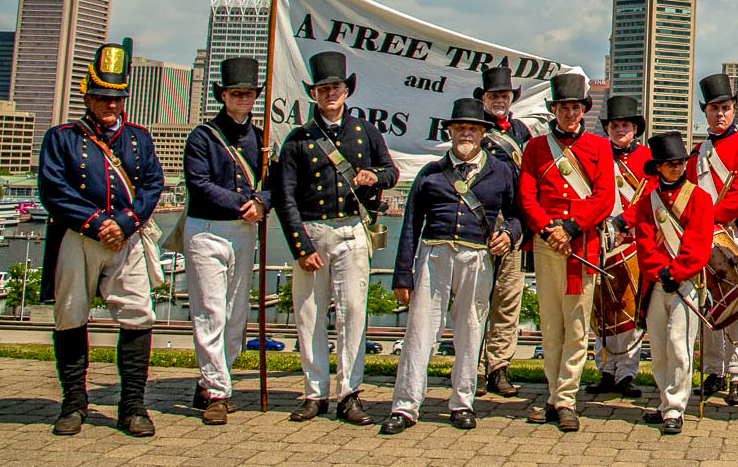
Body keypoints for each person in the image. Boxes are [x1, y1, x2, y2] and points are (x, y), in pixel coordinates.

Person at [39, 41, 165, 437]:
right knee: (71, 316)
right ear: (88, 99)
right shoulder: (62, 137)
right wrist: (96, 223)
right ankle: (73, 403)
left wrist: (126, 223)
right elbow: (54, 189)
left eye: (117, 99)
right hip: (79, 237)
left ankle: (132, 406)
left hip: (125, 239)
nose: (111, 106)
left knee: (138, 315)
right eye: (102, 99)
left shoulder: (139, 138)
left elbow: (152, 184)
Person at [379, 99, 522, 435]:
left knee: (471, 331)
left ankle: (462, 402)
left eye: (472, 129)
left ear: (483, 134)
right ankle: (405, 405)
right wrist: (404, 275)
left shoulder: (501, 171)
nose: (466, 134)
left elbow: (517, 216)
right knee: (419, 332)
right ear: (450, 132)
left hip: (477, 258)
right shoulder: (430, 173)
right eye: (460, 129)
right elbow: (411, 225)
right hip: (434, 255)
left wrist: (508, 234)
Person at [273, 51, 398, 425]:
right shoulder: (296, 140)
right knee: (309, 316)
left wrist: (374, 177)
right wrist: (301, 247)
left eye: (336, 88)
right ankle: (315, 392)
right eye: (324, 88)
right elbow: (286, 198)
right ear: (314, 92)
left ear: (347, 90)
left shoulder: (365, 131)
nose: (331, 94)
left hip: (351, 230)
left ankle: (349, 392)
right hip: (313, 231)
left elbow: (390, 171)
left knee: (353, 314)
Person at [516, 73, 616, 432]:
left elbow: (604, 197)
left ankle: (567, 398)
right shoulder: (536, 149)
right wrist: (548, 229)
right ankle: (552, 393)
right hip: (547, 243)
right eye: (563, 107)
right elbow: (527, 196)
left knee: (576, 324)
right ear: (553, 110)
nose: (570, 113)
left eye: (576, 107)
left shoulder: (600, 147)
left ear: (584, 110)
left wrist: (571, 227)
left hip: (581, 243)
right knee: (550, 323)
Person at [182, 57, 269, 426]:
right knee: (210, 311)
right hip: (206, 229)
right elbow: (198, 183)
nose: (243, 100)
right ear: (223, 95)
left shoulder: (261, 139)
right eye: (236, 94)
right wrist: (245, 203)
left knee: (235, 315)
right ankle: (219, 392)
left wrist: (263, 202)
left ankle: (211, 379)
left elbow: (274, 181)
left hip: (244, 231)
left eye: (248, 94)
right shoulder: (202, 136)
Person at [632, 132, 714, 435]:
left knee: (680, 346)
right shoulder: (647, 203)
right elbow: (644, 242)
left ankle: (676, 407)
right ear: (659, 167)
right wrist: (659, 272)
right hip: (656, 283)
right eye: (670, 164)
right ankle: (665, 399)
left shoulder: (700, 199)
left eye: (680, 163)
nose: (677, 168)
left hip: (685, 282)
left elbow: (698, 245)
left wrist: (675, 272)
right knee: (659, 346)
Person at [691, 74, 738, 406]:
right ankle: (713, 370)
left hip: (732, 234)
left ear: (734, 110)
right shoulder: (698, 152)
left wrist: (710, 218)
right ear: (704, 111)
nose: (721, 114)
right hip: (703, 238)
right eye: (715, 109)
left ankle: (737, 374)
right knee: (709, 305)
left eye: (727, 108)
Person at [474, 66, 539, 399]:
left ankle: (498, 368)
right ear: (484, 98)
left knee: (507, 301)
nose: (500, 101)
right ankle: (470, 369)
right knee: (473, 302)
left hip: (511, 223)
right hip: (476, 223)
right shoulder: (474, 129)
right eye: (494, 96)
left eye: (505, 95)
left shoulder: (521, 132)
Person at [585, 95, 651, 399]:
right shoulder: (597, 155)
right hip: (602, 241)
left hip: (634, 241)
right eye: (614, 125)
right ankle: (606, 370)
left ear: (635, 128)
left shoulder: (648, 159)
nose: (620, 130)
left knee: (630, 310)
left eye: (625, 125)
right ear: (607, 128)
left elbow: (649, 197)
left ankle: (627, 372)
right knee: (603, 309)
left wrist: (623, 223)